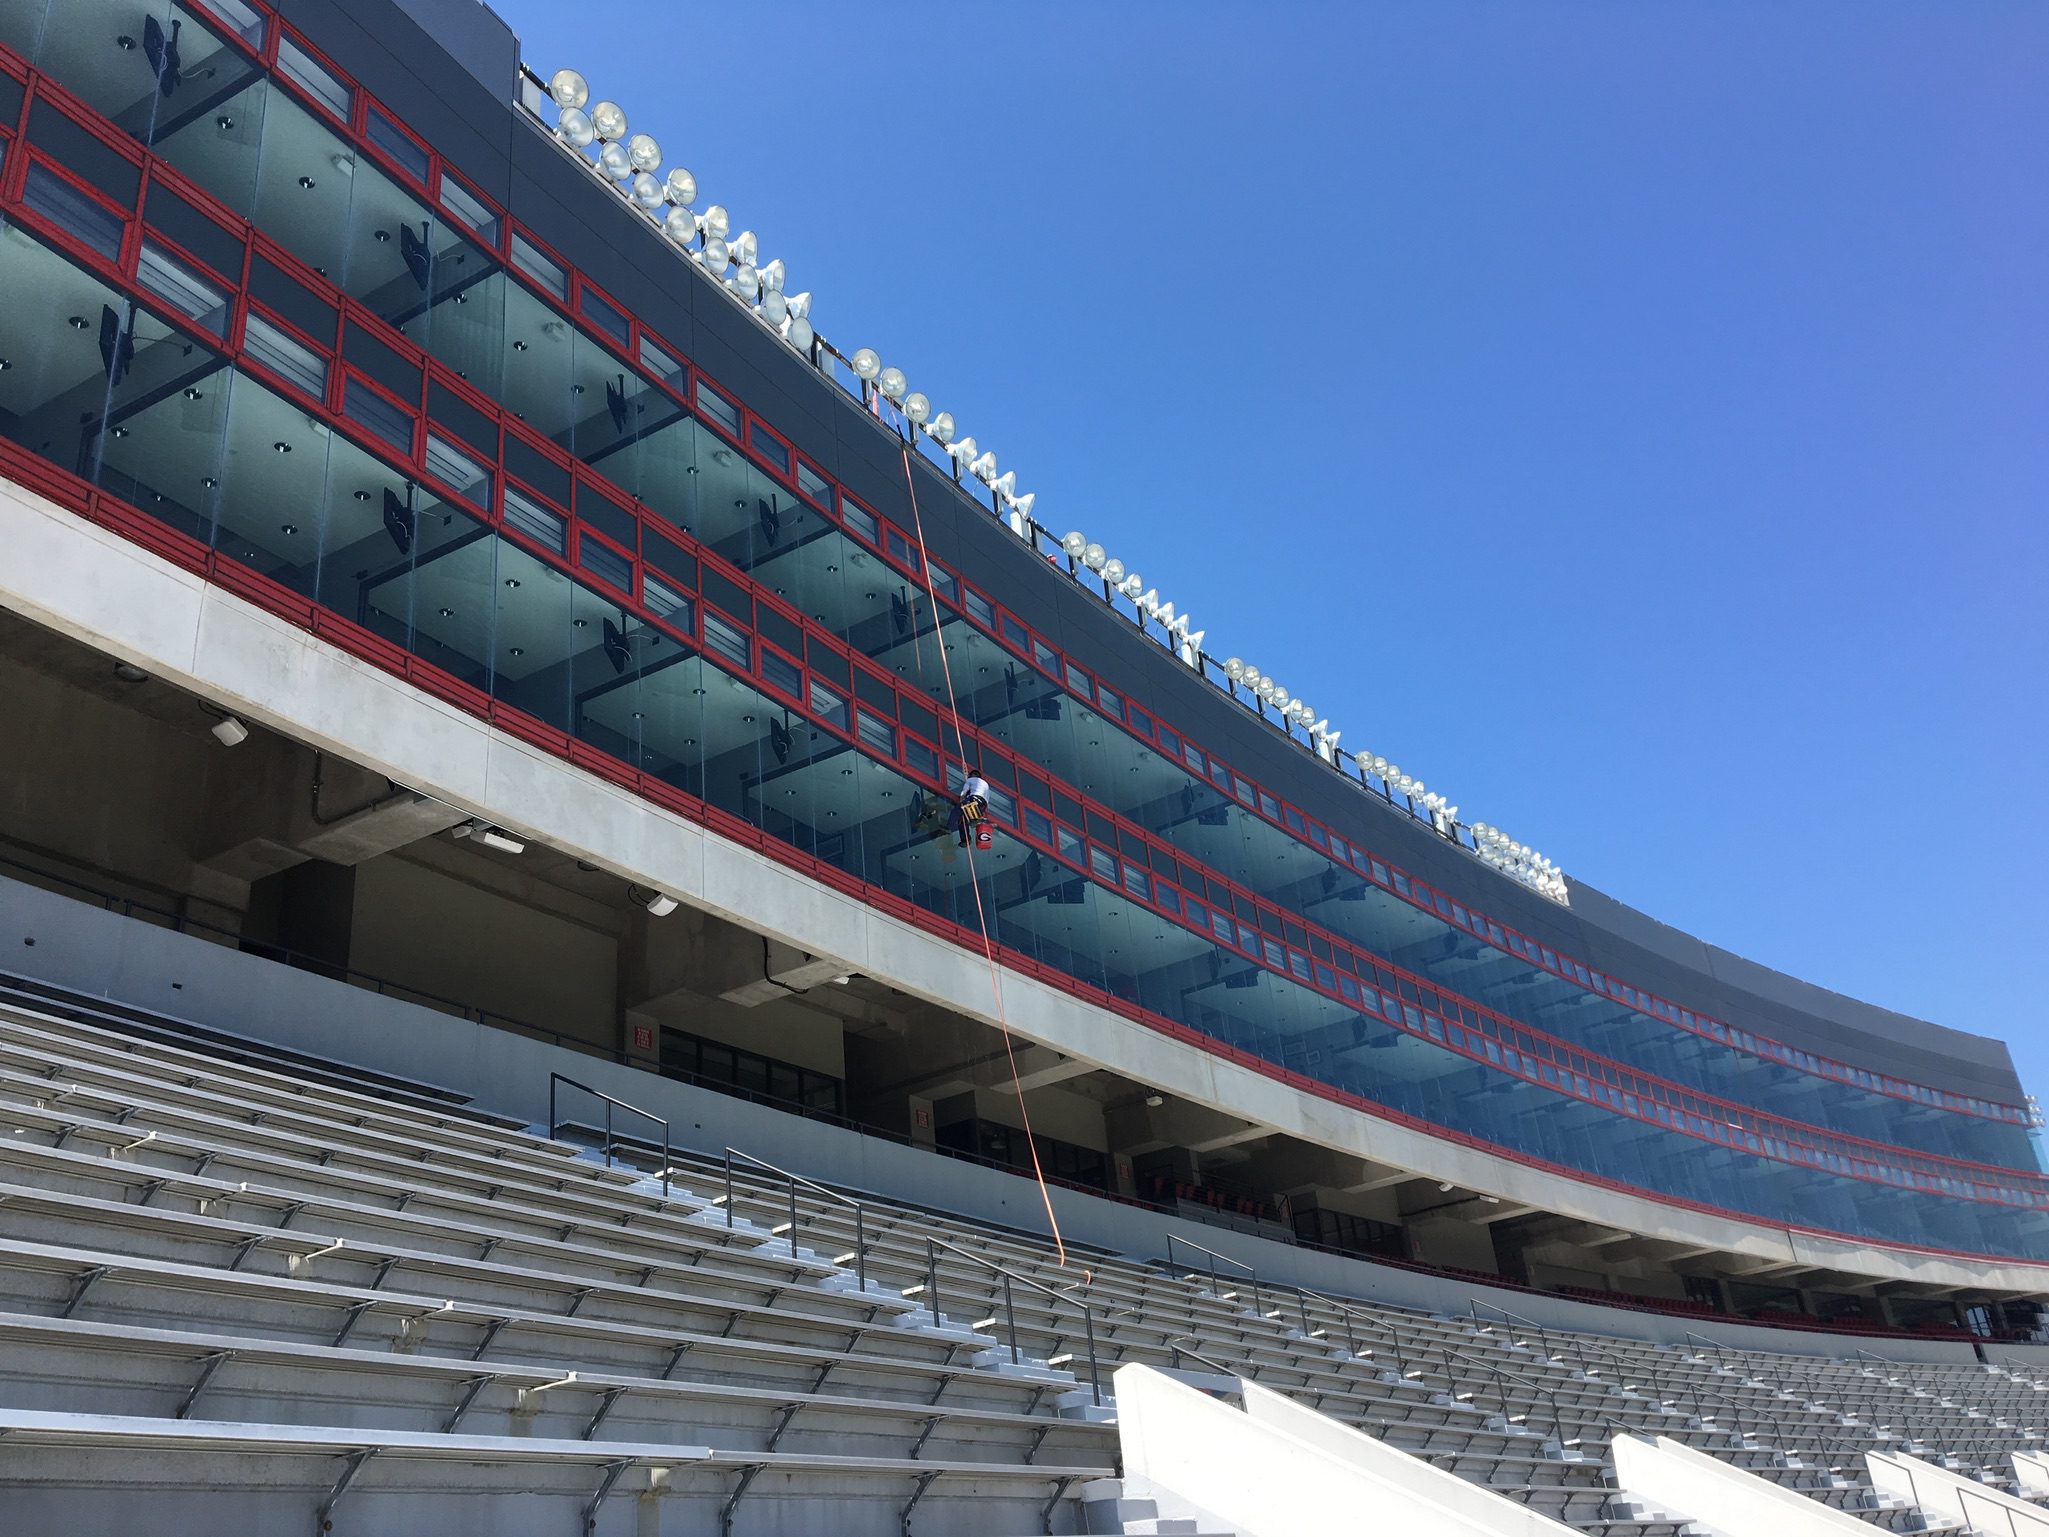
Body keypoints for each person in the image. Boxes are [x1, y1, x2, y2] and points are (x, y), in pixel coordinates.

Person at [953, 766, 991, 848]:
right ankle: (975, 819)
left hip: (974, 800)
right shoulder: (985, 784)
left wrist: (961, 802)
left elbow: (964, 792)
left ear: (972, 775)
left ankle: (965, 839)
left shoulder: (970, 780)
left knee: (958, 814)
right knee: (964, 819)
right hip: (982, 805)